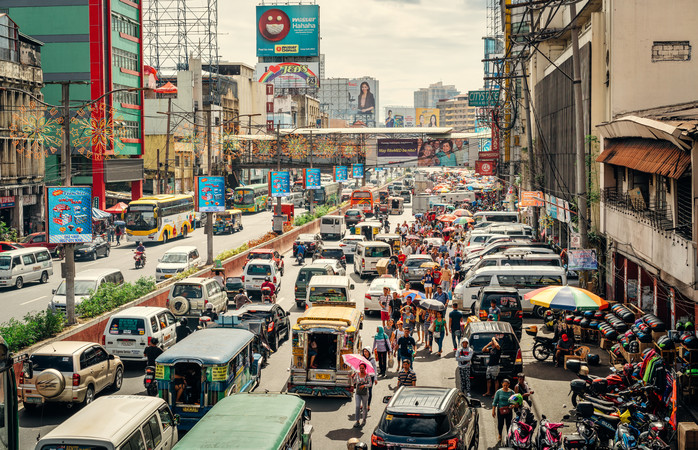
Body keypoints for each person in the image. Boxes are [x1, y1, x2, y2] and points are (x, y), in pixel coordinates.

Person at [352, 363, 371, 428]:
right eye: (360, 368)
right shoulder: (357, 374)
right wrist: (353, 377)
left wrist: (364, 386)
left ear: (365, 369)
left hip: (365, 393)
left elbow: (370, 384)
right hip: (358, 392)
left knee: (364, 407)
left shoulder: (367, 375)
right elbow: (354, 382)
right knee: (357, 406)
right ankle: (357, 421)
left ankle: (364, 419)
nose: (361, 369)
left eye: (363, 368)